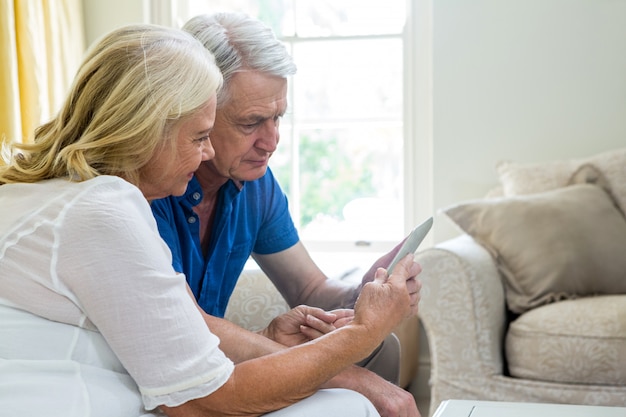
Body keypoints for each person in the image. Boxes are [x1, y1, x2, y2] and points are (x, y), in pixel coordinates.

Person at [0, 23, 421, 417]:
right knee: (346, 405)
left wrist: (284, 342)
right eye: (200, 136)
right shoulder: (106, 208)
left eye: (278, 119)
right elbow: (199, 399)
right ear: (148, 129)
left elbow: (166, 341)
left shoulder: (54, 198)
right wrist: (361, 338)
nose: (206, 154)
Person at [150, 12, 422, 417]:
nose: (272, 141)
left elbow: (309, 288)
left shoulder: (255, 182)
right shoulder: (150, 187)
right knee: (365, 375)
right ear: (197, 111)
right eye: (251, 122)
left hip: (211, 361)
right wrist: (359, 378)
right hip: (171, 369)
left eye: (278, 117)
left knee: (383, 351)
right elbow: (186, 328)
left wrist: (365, 290)